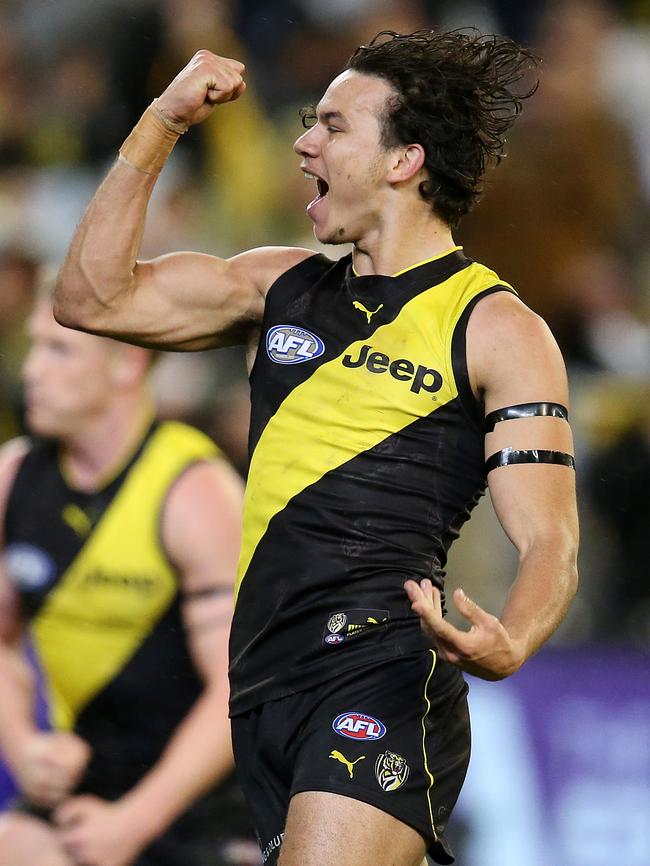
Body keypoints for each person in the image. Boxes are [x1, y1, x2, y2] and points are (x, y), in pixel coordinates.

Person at [53, 29, 580, 866]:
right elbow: (89, 298)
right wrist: (161, 121)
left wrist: (513, 636)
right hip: (260, 683)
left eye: (332, 126)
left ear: (405, 160)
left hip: (379, 669)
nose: (303, 142)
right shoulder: (279, 285)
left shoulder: (496, 327)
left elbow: (550, 538)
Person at [0, 291, 258, 866]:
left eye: (59, 351)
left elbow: (237, 686)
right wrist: (24, 748)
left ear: (126, 366)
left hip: (204, 801)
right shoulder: (14, 477)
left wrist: (135, 821)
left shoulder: (193, 493)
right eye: (35, 347)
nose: (32, 370)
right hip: (86, 787)